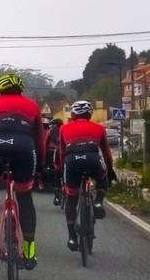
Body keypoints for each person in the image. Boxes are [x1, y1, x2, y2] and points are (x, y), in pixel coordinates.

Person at [0, 74, 43, 270]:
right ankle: (30, 253)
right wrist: (39, 170)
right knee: (24, 196)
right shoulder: (32, 106)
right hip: (24, 147)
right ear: (21, 91)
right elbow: (40, 141)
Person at [58, 101, 116, 251]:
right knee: (102, 179)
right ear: (90, 115)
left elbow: (62, 152)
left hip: (72, 161)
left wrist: (60, 168)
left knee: (71, 198)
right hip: (93, 159)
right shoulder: (99, 128)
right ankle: (97, 202)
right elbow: (106, 153)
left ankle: (72, 237)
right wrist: (109, 170)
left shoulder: (64, 128)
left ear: (73, 115)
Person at [44, 118, 64, 206]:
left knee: (57, 172)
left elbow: (45, 146)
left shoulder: (50, 131)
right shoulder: (65, 129)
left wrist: (44, 161)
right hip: (69, 153)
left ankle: (57, 197)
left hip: (56, 153)